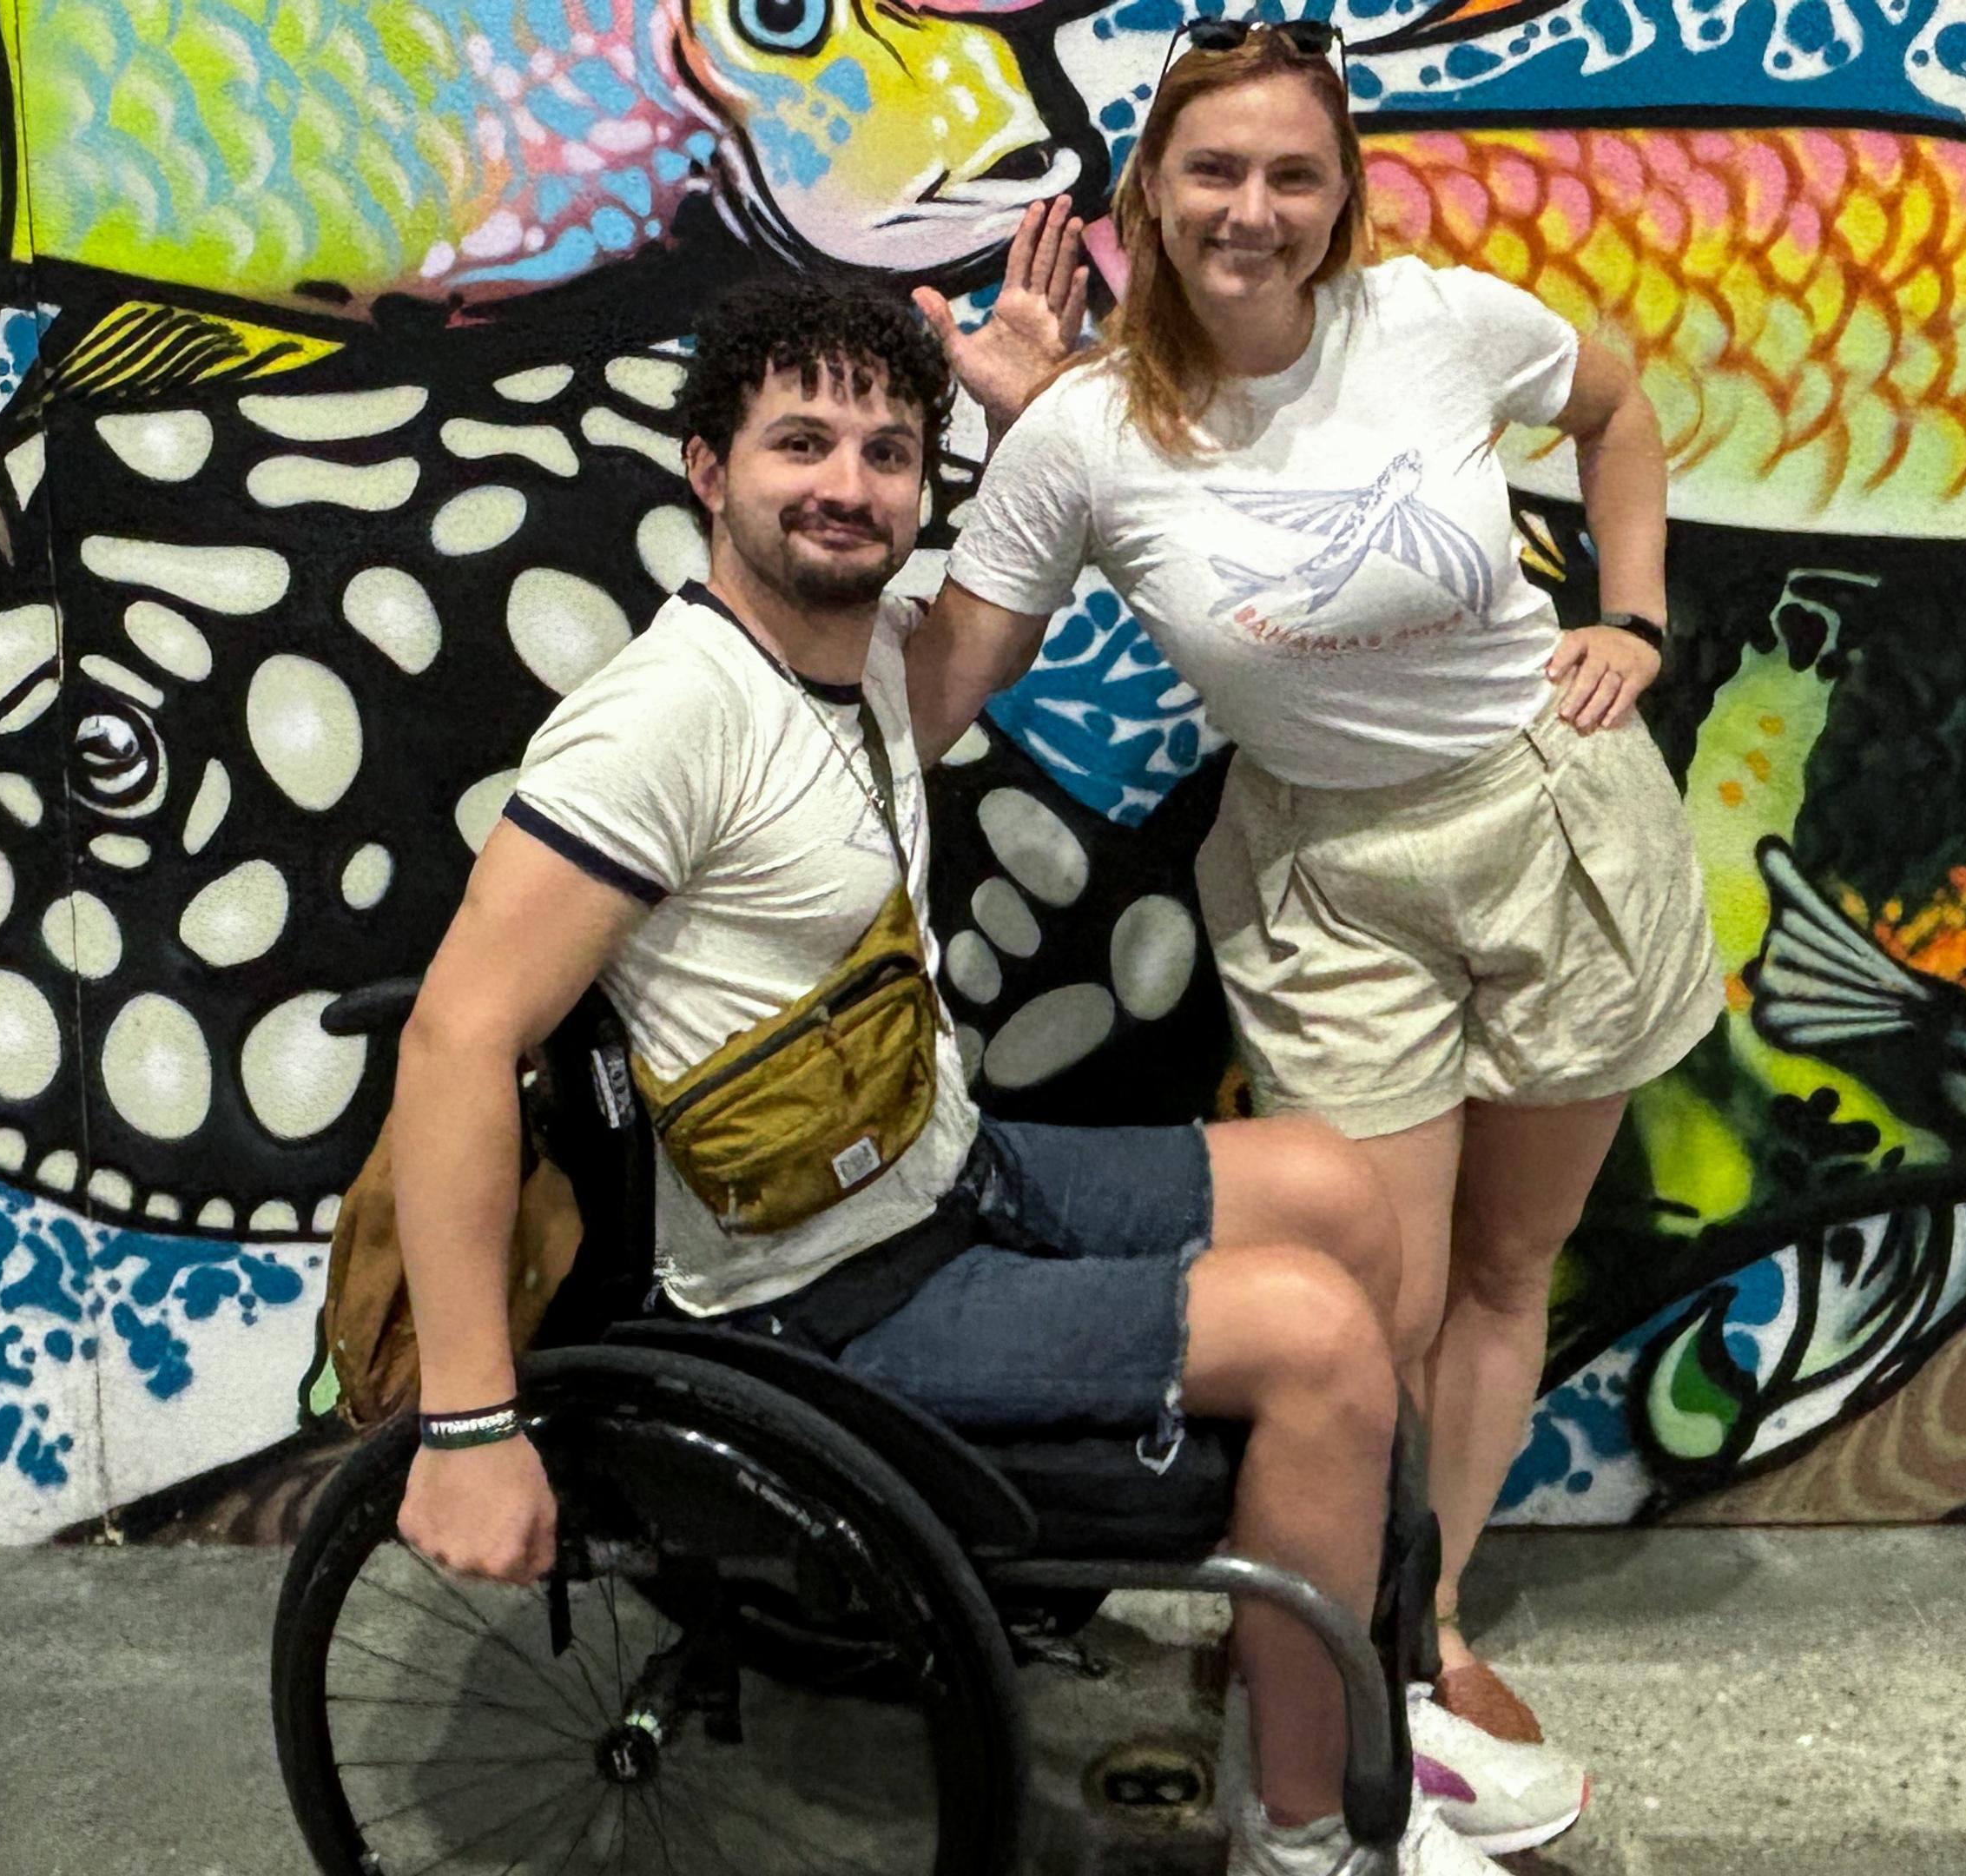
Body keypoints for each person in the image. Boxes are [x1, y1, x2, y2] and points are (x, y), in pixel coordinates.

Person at [384, 276, 1554, 1874]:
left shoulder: (856, 662)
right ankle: (1309, 1836)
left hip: (943, 1174)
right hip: (813, 1297)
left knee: (1344, 1194)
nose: (849, 485)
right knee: (1322, 1343)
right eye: (801, 442)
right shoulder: (660, 723)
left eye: (886, 452)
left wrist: (1025, 412)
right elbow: (457, 1039)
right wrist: (468, 1427)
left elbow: (984, 638)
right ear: (705, 468)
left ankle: (1343, 1671)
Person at [912, 22, 1724, 1775]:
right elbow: (941, 683)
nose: (1252, 209)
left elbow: (1621, 402)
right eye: (1214, 172)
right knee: (1381, 1302)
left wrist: (1637, 616)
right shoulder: (1079, 434)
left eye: (1293, 173)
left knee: (1513, 1266)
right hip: (1326, 885)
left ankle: (1412, 1622)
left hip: (1556, 824)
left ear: (1342, 191)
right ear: (1151, 194)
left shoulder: (1433, 323)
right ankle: (1317, 1615)